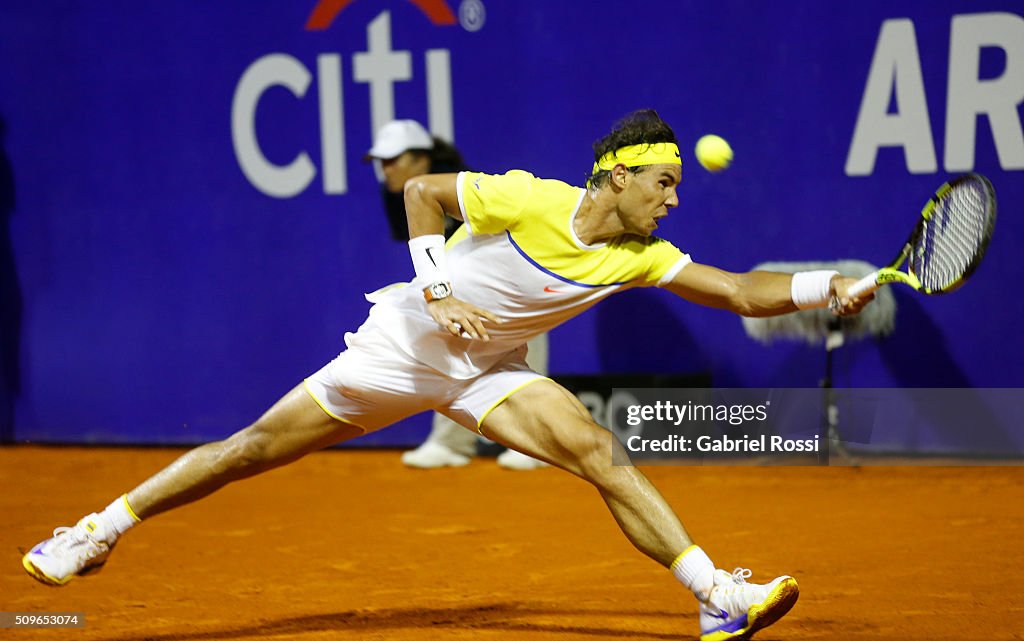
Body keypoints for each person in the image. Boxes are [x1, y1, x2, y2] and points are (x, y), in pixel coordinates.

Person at [23, 109, 871, 641]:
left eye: (677, 186)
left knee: (598, 450)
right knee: (251, 448)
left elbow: (734, 291)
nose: (674, 200)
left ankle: (715, 594)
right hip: (402, 347)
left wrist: (821, 286)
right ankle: (99, 528)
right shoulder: (530, 198)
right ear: (619, 174)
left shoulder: (640, 255)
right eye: (664, 182)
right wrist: (436, 293)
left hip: (487, 369)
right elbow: (422, 194)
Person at [365, 119, 547, 471]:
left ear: (422, 159)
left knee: (524, 351)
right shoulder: (397, 193)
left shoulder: (463, 185)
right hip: (464, 280)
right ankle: (452, 443)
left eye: (393, 159)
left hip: (517, 274)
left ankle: (533, 444)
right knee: (450, 348)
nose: (385, 169)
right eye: (381, 161)